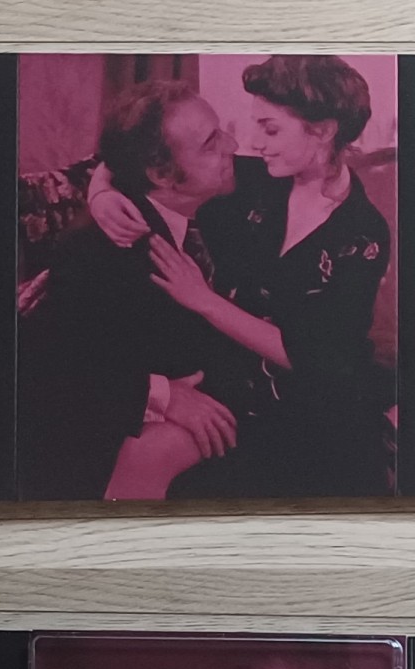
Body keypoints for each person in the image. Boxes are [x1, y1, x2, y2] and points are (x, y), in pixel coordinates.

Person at [88, 56, 395, 499]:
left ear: (323, 130)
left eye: (270, 130)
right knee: (140, 450)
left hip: (312, 407)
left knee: (151, 452)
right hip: (229, 386)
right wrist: (101, 194)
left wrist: (204, 300)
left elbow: (317, 359)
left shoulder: (363, 234)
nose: (253, 143)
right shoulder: (255, 182)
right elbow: (138, 159)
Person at [15, 81, 247, 501]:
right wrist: (161, 395)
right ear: (160, 175)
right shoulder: (96, 248)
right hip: (102, 448)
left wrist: (101, 186)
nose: (232, 145)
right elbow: (48, 369)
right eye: (211, 142)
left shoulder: (218, 196)